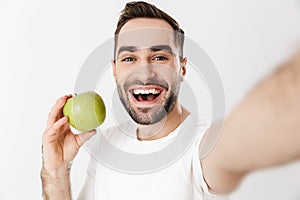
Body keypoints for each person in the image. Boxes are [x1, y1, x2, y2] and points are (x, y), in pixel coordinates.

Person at [41, 1, 300, 200]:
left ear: (182, 68)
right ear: (115, 70)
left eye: (160, 57)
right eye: (129, 58)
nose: (144, 71)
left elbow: (246, 135)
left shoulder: (201, 148)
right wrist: (56, 171)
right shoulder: (107, 143)